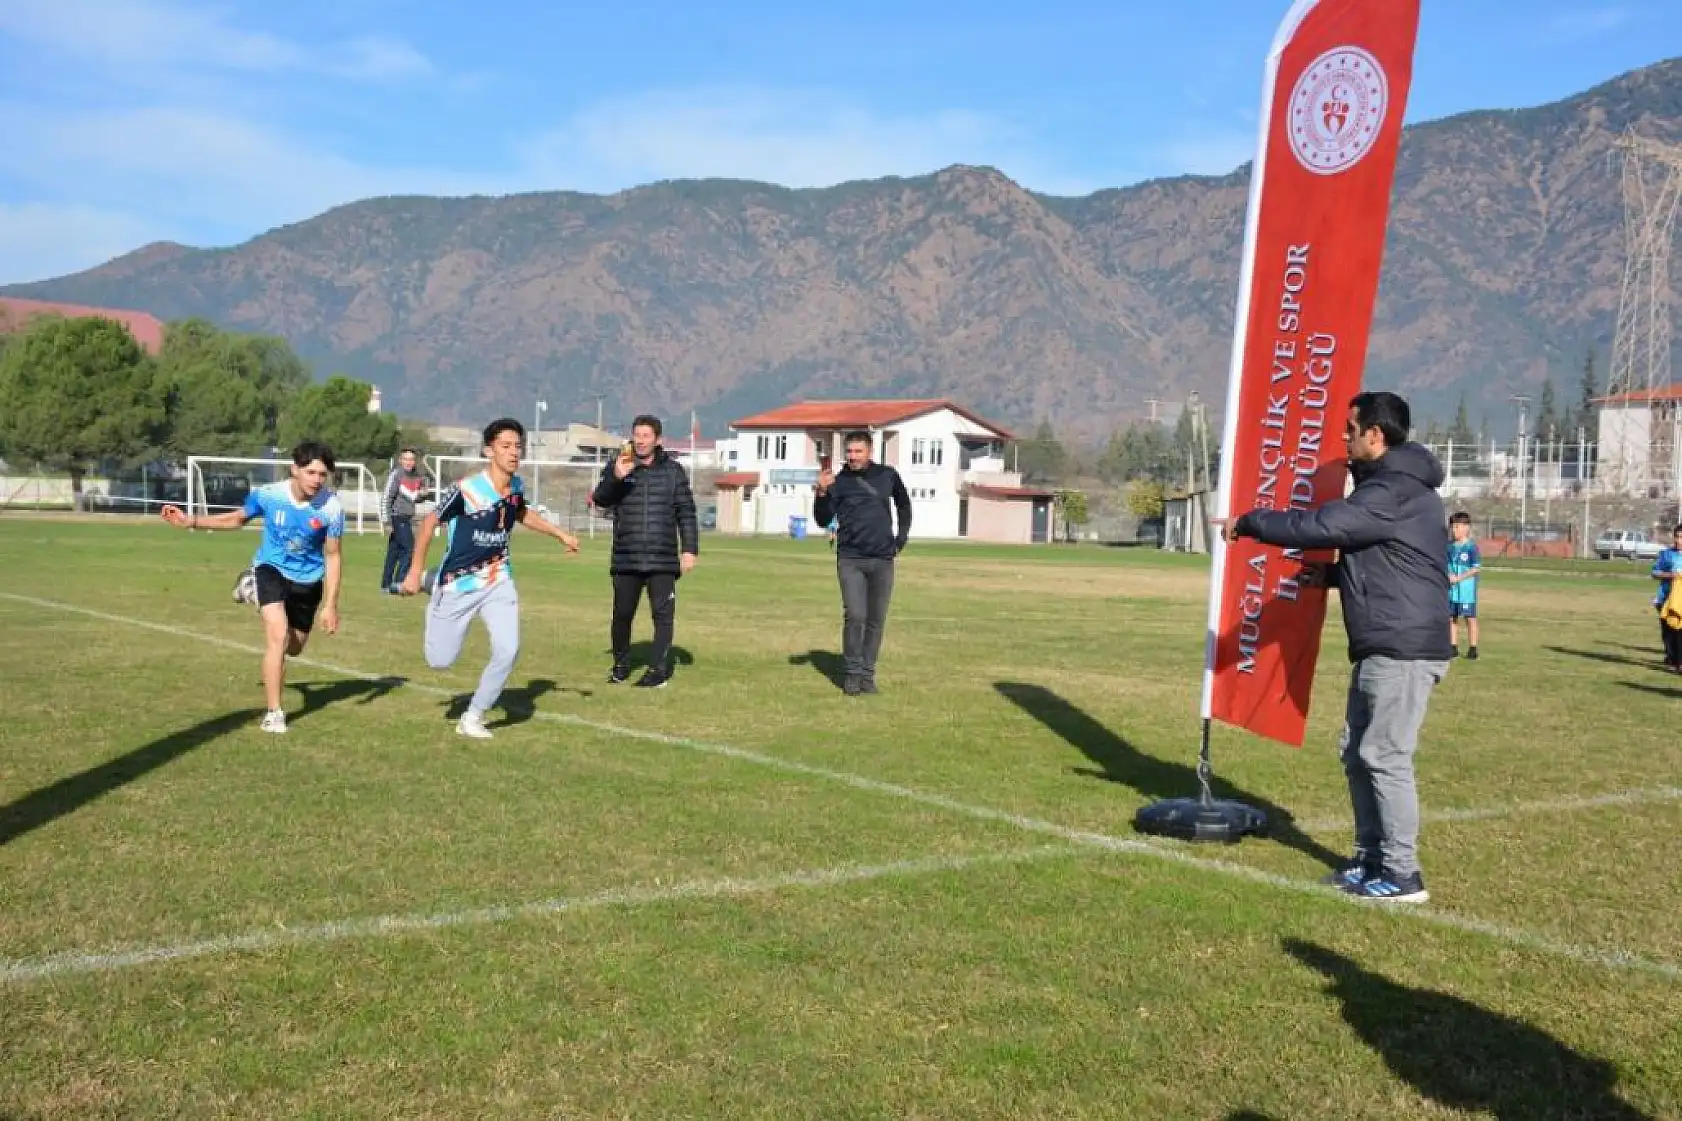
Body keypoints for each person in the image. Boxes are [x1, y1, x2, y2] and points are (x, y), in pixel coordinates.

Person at [1217, 391, 1452, 904]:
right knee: (1356, 752)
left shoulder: (1396, 490)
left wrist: (1253, 521)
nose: (1342, 440)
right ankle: (1371, 861)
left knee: (1384, 755)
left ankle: (1402, 874)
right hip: (1382, 642)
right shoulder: (1391, 490)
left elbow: (1324, 524)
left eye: (1349, 430)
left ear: (1375, 434)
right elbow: (1387, 560)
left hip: (1403, 647)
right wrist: (1329, 574)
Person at [401, 418, 580, 738]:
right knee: (440, 661)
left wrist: (559, 534)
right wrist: (414, 572)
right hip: (459, 583)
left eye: (517, 446)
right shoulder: (466, 489)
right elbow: (428, 524)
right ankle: (432, 584)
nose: (514, 452)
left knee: (508, 650)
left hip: (499, 579)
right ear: (489, 450)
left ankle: (473, 717)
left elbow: (521, 512)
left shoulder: (516, 488)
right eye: (506, 446)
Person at [159, 440, 345, 735]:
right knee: (277, 634)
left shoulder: (331, 508)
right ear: (294, 469)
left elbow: (333, 555)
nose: (317, 480)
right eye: (311, 472)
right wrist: (190, 521)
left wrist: (331, 604)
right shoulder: (269, 495)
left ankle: (249, 588)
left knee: (294, 648)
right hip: (270, 569)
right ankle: (274, 712)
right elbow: (237, 519)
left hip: (308, 582)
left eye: (322, 475)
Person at [590, 414, 699, 688]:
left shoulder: (674, 472)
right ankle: (621, 665)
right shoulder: (619, 465)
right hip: (627, 556)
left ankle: (658, 671)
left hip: (662, 559)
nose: (640, 440)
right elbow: (600, 499)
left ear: (658, 440)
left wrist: (689, 549)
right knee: (622, 615)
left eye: (646, 436)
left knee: (662, 617)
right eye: (636, 435)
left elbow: (686, 512)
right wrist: (616, 477)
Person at [813, 431, 912, 696]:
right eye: (849, 452)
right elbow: (822, 520)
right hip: (851, 559)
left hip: (882, 559)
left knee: (876, 620)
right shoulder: (838, 482)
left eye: (858, 451)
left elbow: (904, 505)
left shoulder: (887, 476)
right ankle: (852, 674)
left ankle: (868, 675)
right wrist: (822, 493)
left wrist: (900, 539)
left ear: (869, 451)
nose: (853, 456)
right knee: (855, 615)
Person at [379, 448, 428, 594]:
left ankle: (386, 585)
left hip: (406, 518)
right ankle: (399, 582)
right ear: (400, 460)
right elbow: (387, 498)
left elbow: (414, 497)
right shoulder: (397, 475)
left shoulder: (416, 476)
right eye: (406, 459)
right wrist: (386, 521)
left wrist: (423, 494)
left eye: (411, 459)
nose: (409, 462)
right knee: (409, 548)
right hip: (396, 517)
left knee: (394, 552)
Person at [1447, 511, 1482, 660]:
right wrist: (1449, 575)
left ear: (1466, 528)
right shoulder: (1448, 547)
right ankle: (1452, 648)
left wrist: (1459, 578)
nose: (1453, 530)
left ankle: (1473, 648)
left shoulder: (1471, 547)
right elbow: (1445, 564)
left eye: (1456, 527)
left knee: (1470, 618)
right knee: (1451, 617)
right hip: (1452, 590)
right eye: (1452, 527)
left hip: (1466, 591)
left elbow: (1475, 568)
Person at [1650, 525, 1682, 672]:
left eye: (1681, 537)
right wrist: (1670, 575)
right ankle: (1672, 659)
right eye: (1677, 536)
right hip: (1665, 599)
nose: (1678, 540)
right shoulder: (1666, 554)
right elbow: (1655, 573)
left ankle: (1678, 662)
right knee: (1668, 632)